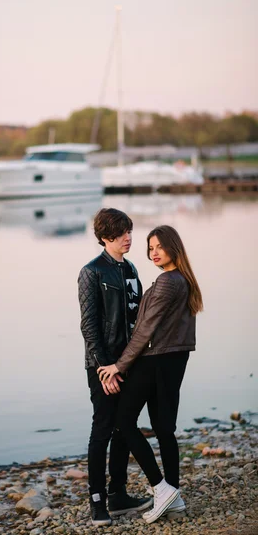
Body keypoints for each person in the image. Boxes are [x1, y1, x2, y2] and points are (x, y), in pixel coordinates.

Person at [97, 225, 203, 525]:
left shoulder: (168, 282)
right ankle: (174, 497)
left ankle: (161, 488)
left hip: (155, 360)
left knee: (124, 422)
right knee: (164, 428)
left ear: (173, 247)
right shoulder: (183, 279)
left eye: (158, 246)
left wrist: (120, 365)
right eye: (150, 248)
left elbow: (146, 329)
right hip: (174, 360)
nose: (153, 252)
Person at [78, 208, 152, 527]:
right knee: (103, 427)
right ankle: (97, 501)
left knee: (126, 424)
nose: (128, 238)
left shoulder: (132, 268)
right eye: (122, 233)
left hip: (129, 363)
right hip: (102, 366)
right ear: (106, 235)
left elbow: (137, 320)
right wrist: (104, 367)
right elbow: (89, 325)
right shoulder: (91, 272)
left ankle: (118, 494)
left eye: (130, 232)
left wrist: (132, 362)